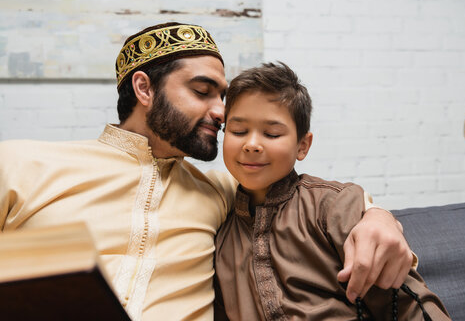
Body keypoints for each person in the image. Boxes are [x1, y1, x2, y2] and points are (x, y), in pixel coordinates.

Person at [0, 22, 412, 321]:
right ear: (144, 89)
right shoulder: (21, 164)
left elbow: (309, 193)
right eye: (202, 92)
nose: (220, 111)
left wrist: (378, 217)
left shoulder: (220, 189)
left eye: (222, 96)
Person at [214, 62, 450, 320]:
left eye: (271, 134)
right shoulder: (220, 228)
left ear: (303, 145)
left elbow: (407, 302)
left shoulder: (331, 205)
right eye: (238, 131)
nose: (252, 144)